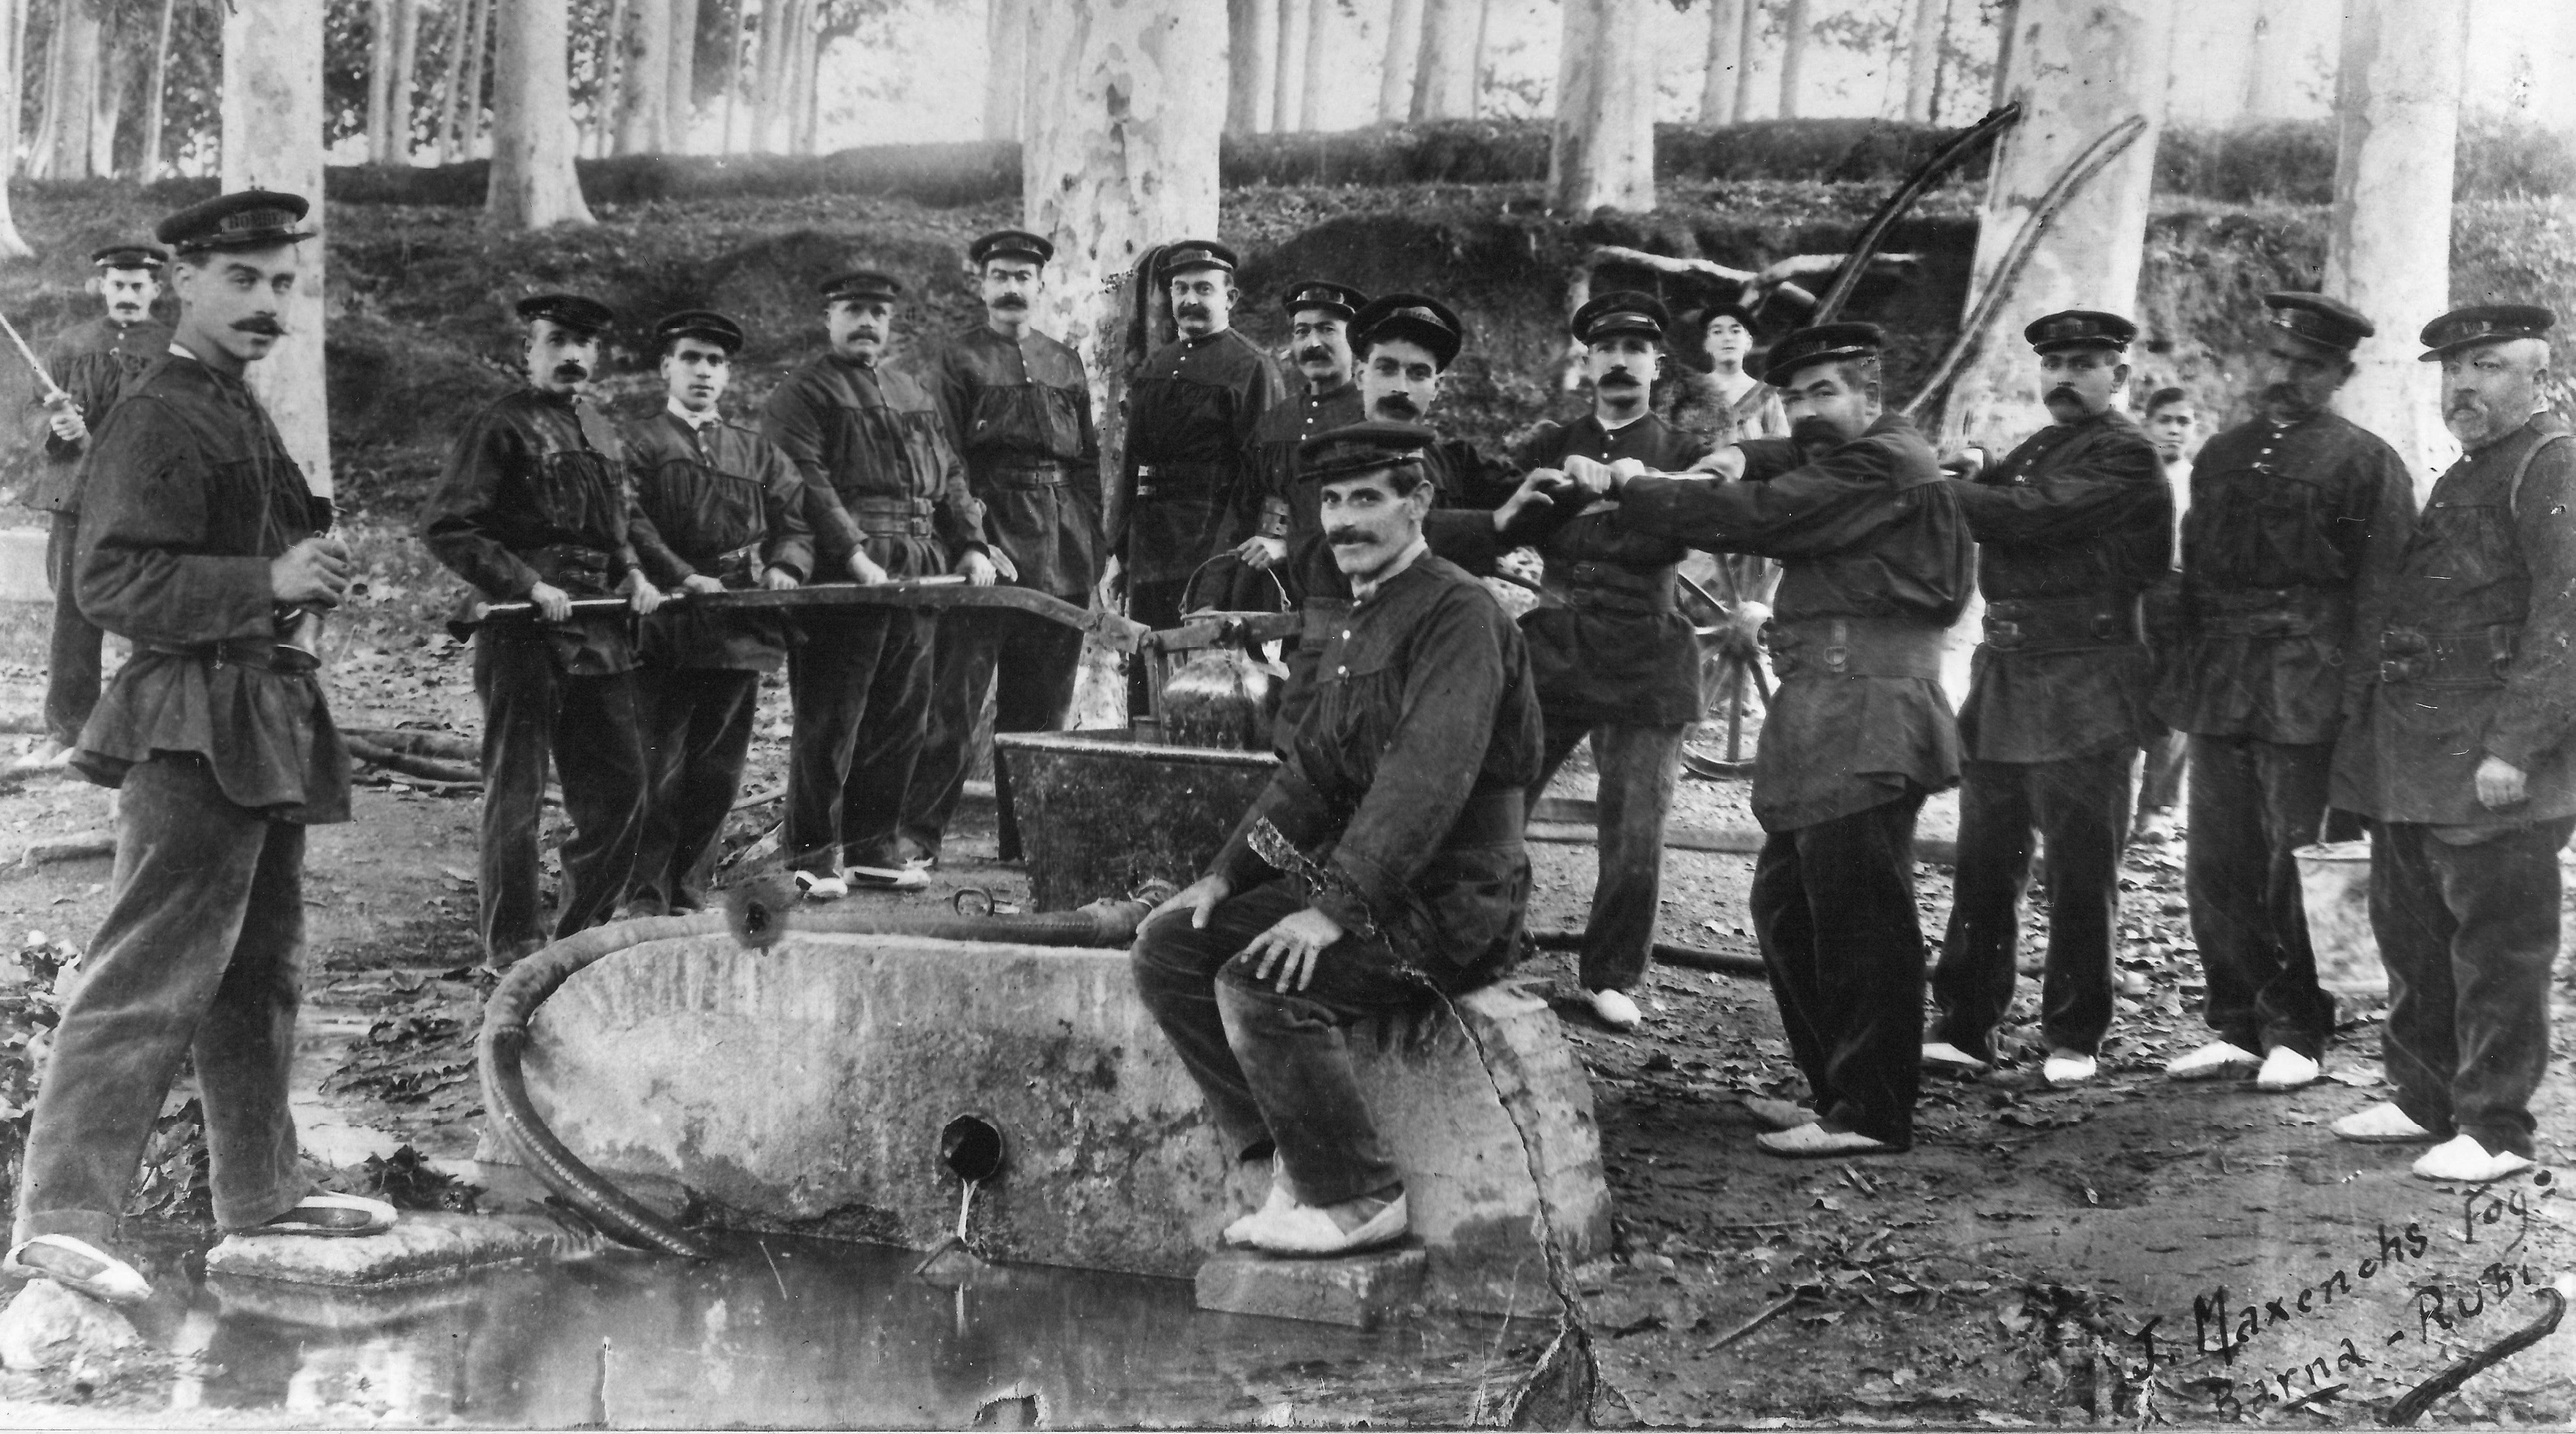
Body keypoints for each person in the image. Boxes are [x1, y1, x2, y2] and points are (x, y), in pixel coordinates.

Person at [2, 191, 394, 1308]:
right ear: (185, 281)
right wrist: (265, 581)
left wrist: (303, 569)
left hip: (259, 723)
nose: (269, 304)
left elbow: (247, 553)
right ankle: (63, 1218)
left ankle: (259, 1193)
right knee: (149, 968)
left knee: (260, 969)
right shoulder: (161, 412)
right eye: (245, 280)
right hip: (188, 727)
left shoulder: (233, 406)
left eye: (283, 284)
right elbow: (109, 579)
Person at [1131, 420, 1542, 1257]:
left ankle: (1357, 1196)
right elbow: (1313, 775)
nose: (1344, 522)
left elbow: (1425, 777)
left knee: (1263, 984)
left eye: (1367, 500)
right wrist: (1224, 877)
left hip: (1457, 898)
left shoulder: (1457, 613)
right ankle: (1293, 1158)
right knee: (1172, 946)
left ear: (1417, 502)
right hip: (1391, 885)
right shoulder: (1366, 616)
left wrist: (1334, 909)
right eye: (1330, 502)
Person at [1570, 322, 1973, 1156]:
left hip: (1867, 712)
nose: (1805, 410)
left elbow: (1766, 514)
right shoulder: (1860, 452)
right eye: (1792, 396)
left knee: (1860, 912)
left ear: (1871, 396)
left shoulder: (1885, 463)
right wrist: (1734, 455)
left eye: (1823, 391)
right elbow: (1776, 465)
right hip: (1830, 705)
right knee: (1788, 904)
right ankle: (1835, 1091)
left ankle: (1870, 1111)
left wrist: (1636, 482)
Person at [2329, 304, 2575, 1184]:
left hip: (2490, 759)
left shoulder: (2550, 463)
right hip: (2419, 755)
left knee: (2497, 947)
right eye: (2451, 368)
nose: (2462, 385)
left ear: (2535, 376)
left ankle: (2495, 1130)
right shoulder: (2471, 470)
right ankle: (2421, 1097)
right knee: (2412, 932)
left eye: (2487, 366)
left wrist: (2515, 747)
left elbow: (2565, 619)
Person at [2154, 292, 2414, 1092]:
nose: (2287, 377)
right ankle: (2234, 1021)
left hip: (2309, 683)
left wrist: (2361, 703)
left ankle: (2296, 1029)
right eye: (2278, 360)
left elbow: (2382, 594)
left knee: (2293, 859)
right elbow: (2193, 572)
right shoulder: (2221, 455)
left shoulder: (2363, 461)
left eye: (2308, 367)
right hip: (2222, 680)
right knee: (2215, 860)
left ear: (2340, 374)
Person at [1922, 311, 2170, 1088]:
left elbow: (2027, 514)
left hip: (2085, 681)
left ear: (2118, 378)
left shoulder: (2126, 455)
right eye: (2054, 362)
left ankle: (2072, 1035)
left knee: (2078, 868)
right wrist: (1970, 464)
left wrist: (1944, 485)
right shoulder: (2042, 446)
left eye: (2084, 363)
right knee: (1984, 863)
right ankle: (1965, 1024)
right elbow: (1997, 485)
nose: (2064, 376)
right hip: (2008, 678)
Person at [422, 294, 667, 968]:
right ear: (528, 351)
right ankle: (514, 946)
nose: (572, 355)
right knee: (518, 791)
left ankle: (580, 936)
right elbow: (449, 526)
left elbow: (617, 527)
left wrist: (635, 574)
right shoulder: (499, 425)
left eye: (584, 344)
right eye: (557, 340)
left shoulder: (598, 426)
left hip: (600, 630)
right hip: (524, 630)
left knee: (622, 786)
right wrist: (527, 584)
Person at [1509, 291, 1716, 1032]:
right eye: (1607, 348)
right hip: (1559, 639)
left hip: (1645, 644)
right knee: (1500, 792)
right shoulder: (1549, 442)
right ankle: (1489, 944)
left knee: (1635, 820)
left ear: (1657, 365)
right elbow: (1513, 515)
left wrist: (1634, 486)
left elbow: (1699, 519)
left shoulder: (1684, 453)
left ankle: (1611, 973)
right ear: (1587, 362)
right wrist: (1567, 479)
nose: (1621, 361)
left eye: (1636, 349)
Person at [763, 269, 997, 898]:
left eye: (877, 312)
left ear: (890, 323)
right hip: (848, 574)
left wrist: (971, 540)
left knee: (903, 713)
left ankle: (873, 846)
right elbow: (804, 480)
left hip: (919, 566)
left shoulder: (909, 388)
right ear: (829, 317)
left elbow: (949, 475)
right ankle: (813, 853)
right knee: (833, 716)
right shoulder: (803, 392)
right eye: (853, 309)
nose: (867, 322)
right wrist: (855, 553)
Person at [896, 231, 1101, 870]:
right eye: (1000, 276)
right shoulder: (956, 360)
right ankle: (917, 836)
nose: (1012, 287)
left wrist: (1093, 548)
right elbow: (947, 460)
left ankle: (1026, 842)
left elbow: (1088, 463)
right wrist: (974, 542)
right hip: (988, 545)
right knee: (954, 701)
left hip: (1061, 548)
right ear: (982, 285)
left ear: (1041, 287)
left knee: (1042, 708)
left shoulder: (1065, 362)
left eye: (1024, 277)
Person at [1267, 292, 1533, 743]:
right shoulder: (1323, 460)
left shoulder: (1453, 462)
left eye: (1417, 373)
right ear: (1360, 374)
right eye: (1386, 368)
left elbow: (1534, 500)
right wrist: (1491, 528)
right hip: (1335, 679)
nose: (1399, 387)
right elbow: (1338, 552)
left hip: (1431, 673)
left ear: (1437, 387)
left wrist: (1587, 478)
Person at [620, 310, 812, 916]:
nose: (703, 371)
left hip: (739, 624)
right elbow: (625, 518)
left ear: (728, 374)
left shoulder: (755, 452)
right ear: (665, 369)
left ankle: (689, 888)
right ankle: (643, 894)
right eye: (690, 359)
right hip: (668, 623)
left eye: (714, 362)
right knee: (659, 764)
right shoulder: (641, 443)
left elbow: (796, 521)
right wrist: (679, 573)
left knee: (719, 770)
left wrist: (786, 564)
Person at [19, 243, 173, 772]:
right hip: (78, 499)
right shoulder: (71, 344)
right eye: (118, 286)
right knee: (72, 612)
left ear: (157, 289)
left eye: (138, 286)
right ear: (102, 288)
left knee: (150, 612)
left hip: (145, 499)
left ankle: (147, 730)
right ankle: (67, 729)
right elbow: (31, 413)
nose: (127, 296)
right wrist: (55, 429)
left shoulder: (175, 349)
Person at [1114, 240, 1283, 713]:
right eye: (1180, 288)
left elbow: (1261, 477)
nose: (1190, 299)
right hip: (1151, 549)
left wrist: (1227, 568)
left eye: (1203, 289)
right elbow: (1132, 464)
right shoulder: (1157, 365)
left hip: (1213, 544)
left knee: (1209, 684)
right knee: (1148, 671)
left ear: (1229, 298)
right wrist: (1118, 549)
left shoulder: (1253, 368)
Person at [1231, 278, 1368, 587]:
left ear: (1356, 341)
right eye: (1302, 332)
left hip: (1343, 591)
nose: (1313, 344)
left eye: (1328, 329)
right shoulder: (1276, 421)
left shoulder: (1369, 420)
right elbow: (1241, 512)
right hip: (1273, 591)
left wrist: (1288, 548)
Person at [2132, 385, 2197, 843]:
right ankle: (2115, 802)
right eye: (2165, 420)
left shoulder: (2199, 481)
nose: (2173, 430)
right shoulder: (2131, 478)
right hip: (2133, 593)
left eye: (2182, 422)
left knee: (2176, 702)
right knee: (2126, 694)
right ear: (2147, 424)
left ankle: (2157, 806)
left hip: (2182, 594)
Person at [1661, 302, 1790, 448]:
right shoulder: (1689, 390)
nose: (1727, 338)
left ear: (1749, 342)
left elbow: (1783, 446)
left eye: (1735, 331)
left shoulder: (1764, 394)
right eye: (1717, 332)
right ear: (1707, 344)